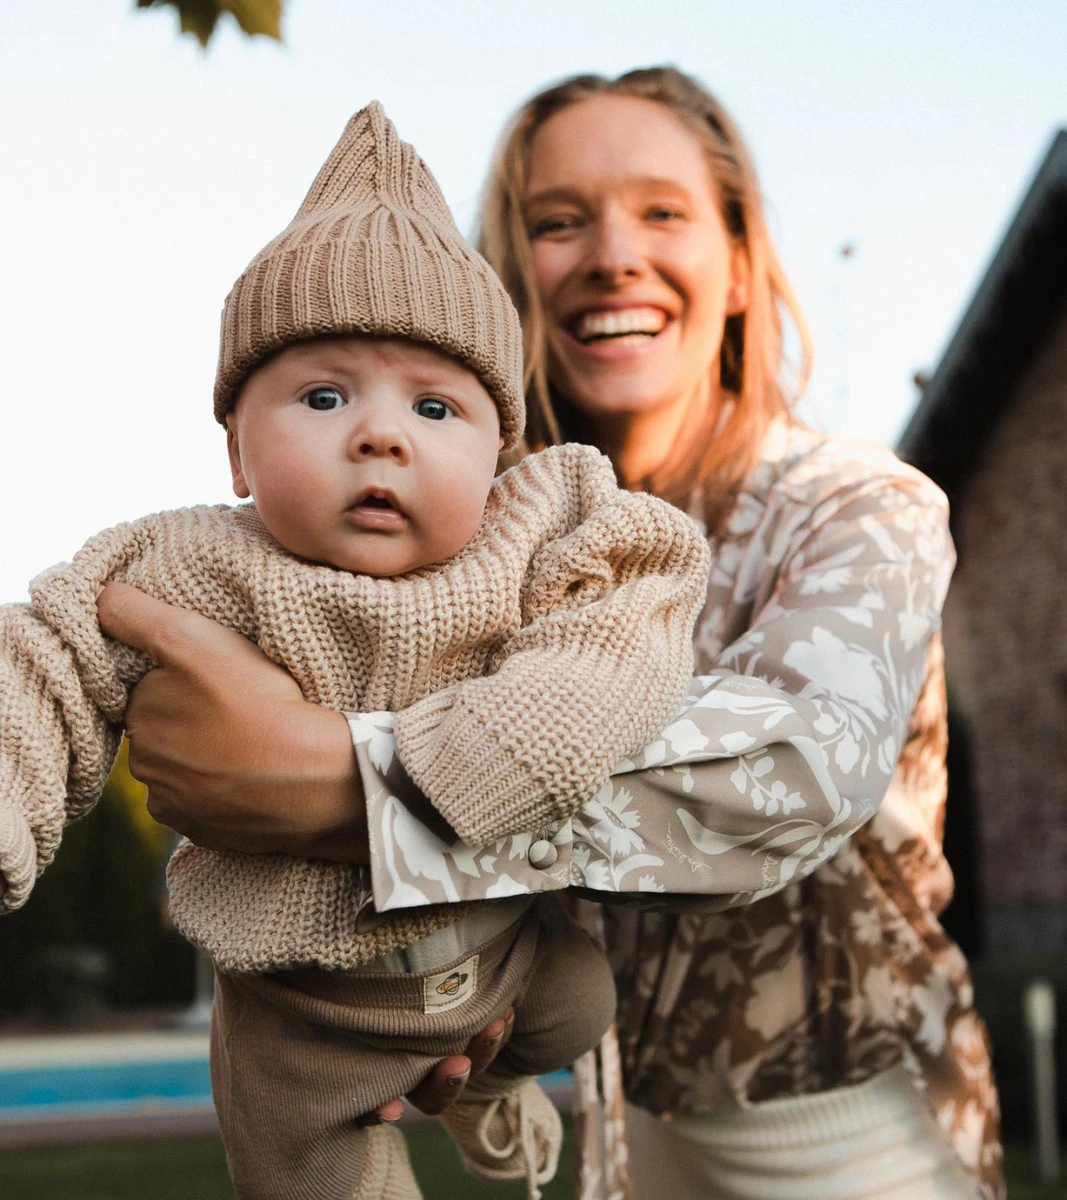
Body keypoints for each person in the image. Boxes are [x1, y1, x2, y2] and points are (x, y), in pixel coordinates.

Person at [88, 67, 1003, 1200]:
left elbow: (801, 771)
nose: (612, 255)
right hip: (618, 1130)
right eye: (558, 221)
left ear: (737, 263)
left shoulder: (855, 505)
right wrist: (424, 983)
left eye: (661, 212)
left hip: (857, 1140)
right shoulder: (472, 546)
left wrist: (348, 783)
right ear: (508, 279)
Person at [0, 102, 712, 1200]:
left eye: (434, 406)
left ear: (500, 451)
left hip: (508, 962)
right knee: (311, 1176)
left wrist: (472, 762)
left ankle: (485, 1083)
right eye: (323, 396)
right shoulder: (186, 562)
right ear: (237, 451)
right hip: (299, 1012)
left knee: (580, 1007)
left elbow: (628, 625)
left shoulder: (541, 528)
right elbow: (43, 664)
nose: (379, 433)